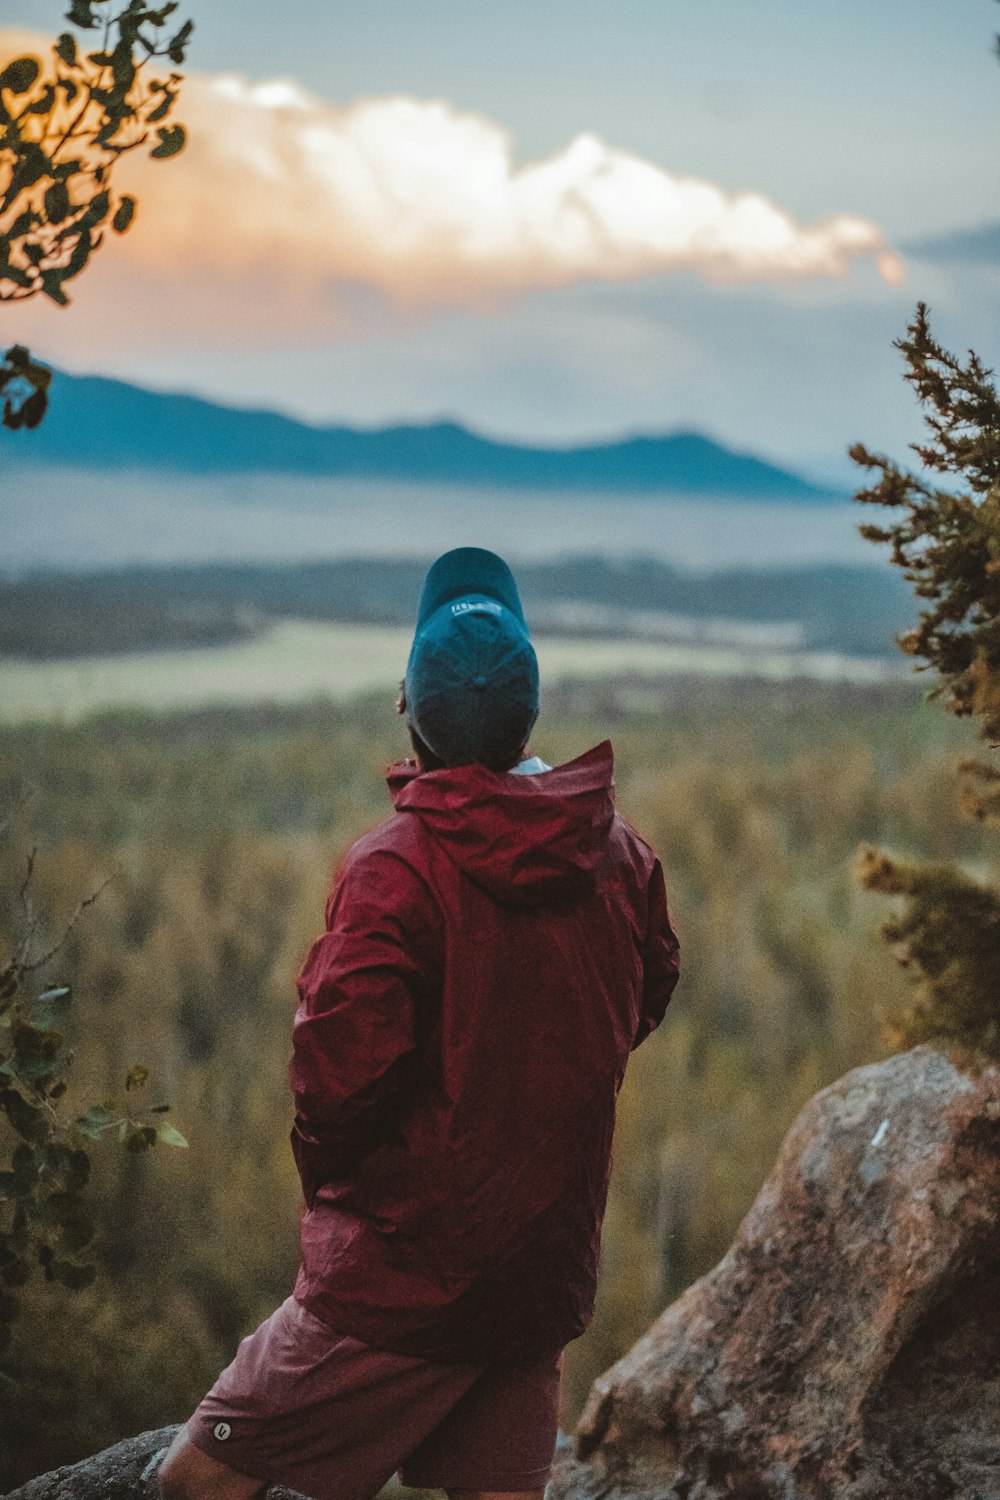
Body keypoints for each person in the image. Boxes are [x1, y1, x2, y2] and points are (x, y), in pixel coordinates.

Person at [159, 547, 680, 1500]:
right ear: (532, 710)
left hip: (403, 1281)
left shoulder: (394, 870)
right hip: (537, 1271)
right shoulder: (620, 856)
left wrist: (342, 1201)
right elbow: (640, 1002)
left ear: (410, 709)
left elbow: (335, 1080)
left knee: (193, 1483)